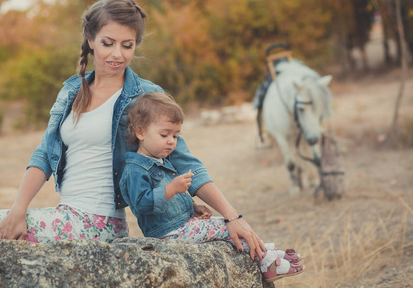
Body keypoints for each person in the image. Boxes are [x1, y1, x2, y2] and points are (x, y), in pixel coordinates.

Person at [0, 0, 263, 259]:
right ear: (90, 39)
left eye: (127, 45)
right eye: (108, 43)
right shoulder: (70, 91)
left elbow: (185, 162)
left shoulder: (144, 96)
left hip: (99, 223)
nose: (116, 54)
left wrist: (232, 216)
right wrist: (18, 210)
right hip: (67, 214)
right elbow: (44, 155)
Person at [119, 92, 305, 282]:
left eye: (175, 135)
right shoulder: (135, 171)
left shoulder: (160, 160)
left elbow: (172, 200)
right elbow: (142, 204)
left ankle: (267, 251)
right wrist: (172, 189)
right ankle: (267, 262)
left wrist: (193, 207)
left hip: (180, 226)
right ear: (140, 132)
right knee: (226, 225)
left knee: (230, 224)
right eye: (164, 134)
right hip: (168, 233)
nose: (171, 141)